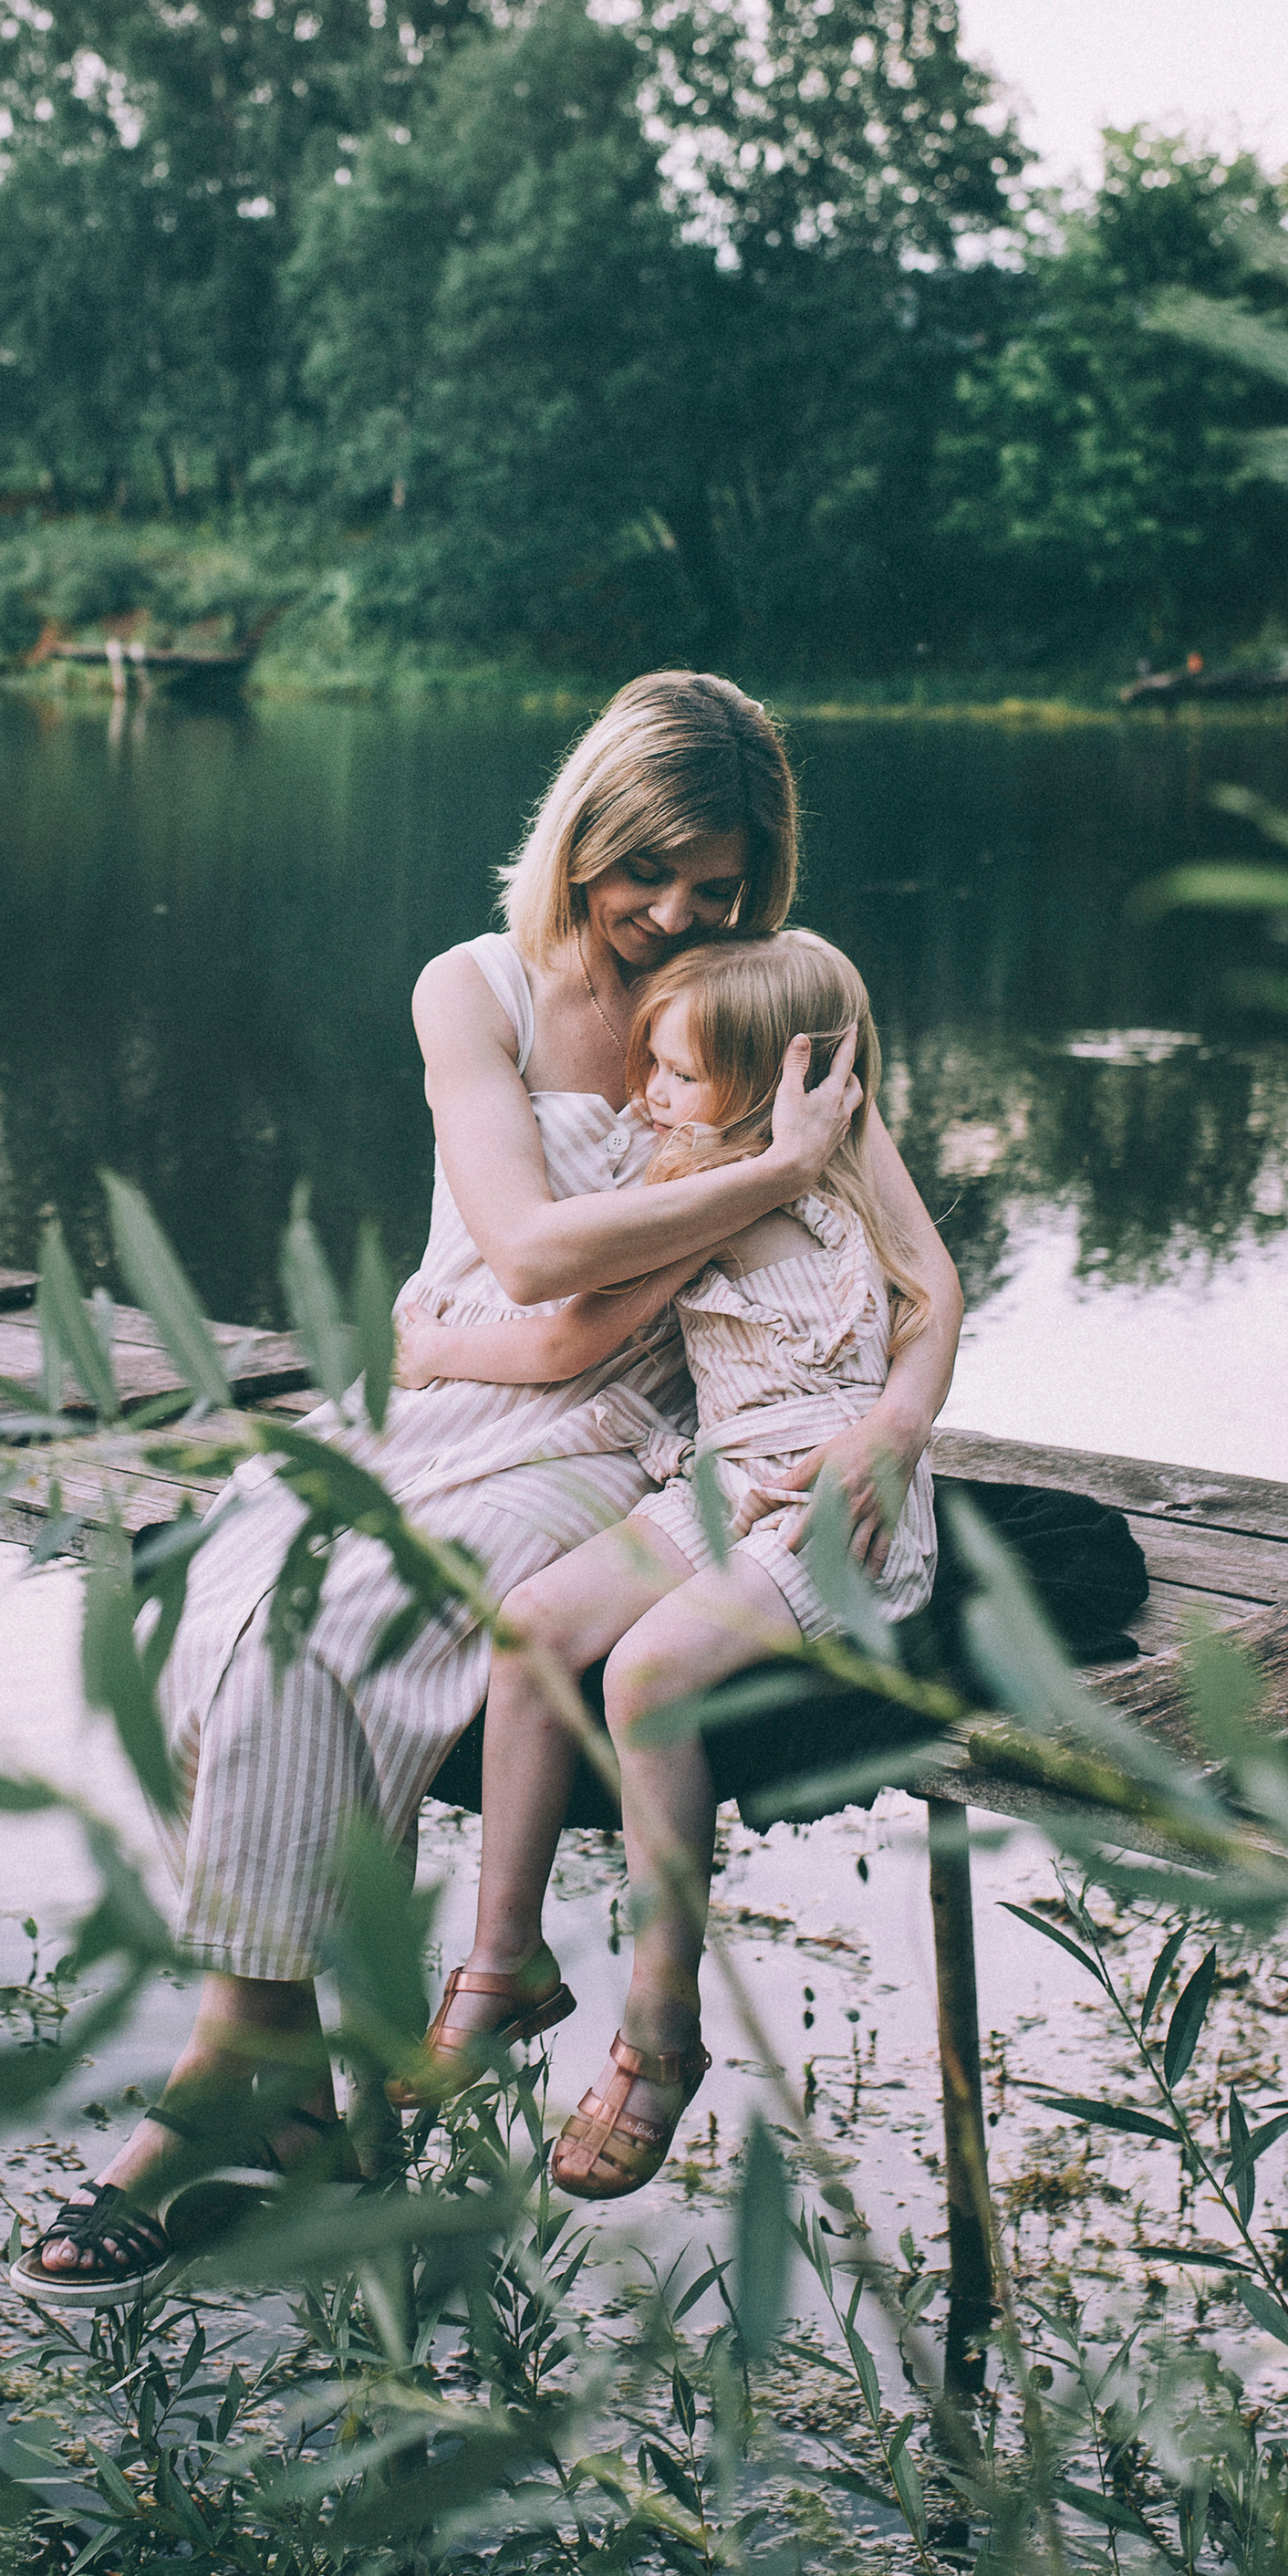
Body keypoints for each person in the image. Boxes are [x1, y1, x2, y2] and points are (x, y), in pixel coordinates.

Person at [12, 673, 961, 2303]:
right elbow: (522, 1246)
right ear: (583, 832)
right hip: (455, 1388)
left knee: (351, 1619)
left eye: (717, 885)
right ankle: (284, 2064)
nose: (673, 914)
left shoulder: (760, 1015)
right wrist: (449, 1346)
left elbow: (706, 1297)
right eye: (645, 873)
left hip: (625, 1425)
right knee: (225, 1597)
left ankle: (230, 2080)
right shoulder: (476, 990)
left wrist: (808, 1244)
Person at [388, 928, 941, 2200]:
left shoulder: (807, 1166)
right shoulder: (695, 1177)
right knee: (528, 1625)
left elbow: (564, 1338)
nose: (646, 1097)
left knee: (646, 1673)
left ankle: (659, 2024)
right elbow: (570, 1314)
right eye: (647, 1069)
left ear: (761, 1087)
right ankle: (502, 1959)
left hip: (837, 1511)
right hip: (725, 1469)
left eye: (677, 1077)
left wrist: (428, 1350)